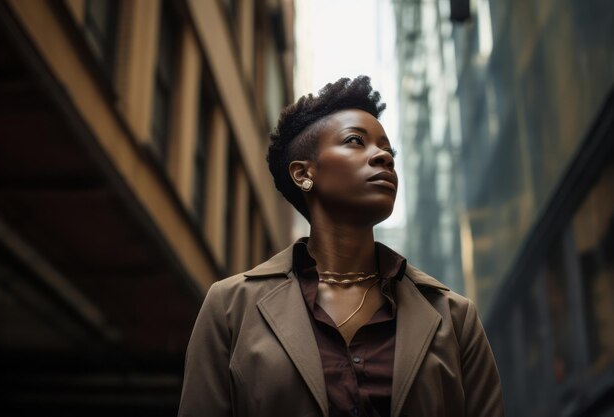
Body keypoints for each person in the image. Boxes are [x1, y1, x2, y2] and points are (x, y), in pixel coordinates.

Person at [178, 76, 504, 417]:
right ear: (304, 174)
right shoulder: (230, 309)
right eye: (355, 141)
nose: (383, 157)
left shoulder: (454, 318)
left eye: (387, 150)